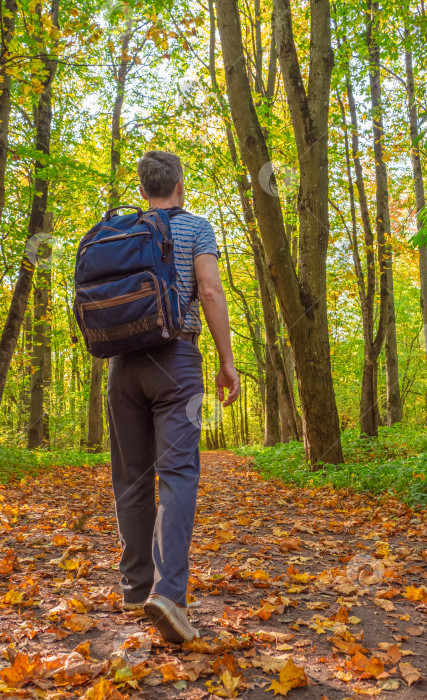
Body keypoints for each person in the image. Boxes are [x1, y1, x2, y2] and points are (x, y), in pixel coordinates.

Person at [107, 150, 240, 643]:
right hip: (177, 362)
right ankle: (170, 595)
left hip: (121, 365)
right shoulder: (196, 228)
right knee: (179, 474)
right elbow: (209, 291)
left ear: (143, 190)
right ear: (179, 185)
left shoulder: (122, 230)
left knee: (132, 478)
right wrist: (227, 363)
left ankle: (136, 589)